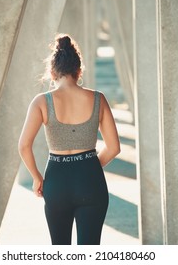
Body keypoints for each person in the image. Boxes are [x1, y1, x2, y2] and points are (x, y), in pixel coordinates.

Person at [18, 33, 120, 245]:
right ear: (78, 70)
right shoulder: (98, 99)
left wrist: (37, 177)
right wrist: (88, 166)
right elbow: (113, 148)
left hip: (57, 181)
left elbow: (24, 145)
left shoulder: (41, 102)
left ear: (52, 72)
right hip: (90, 181)